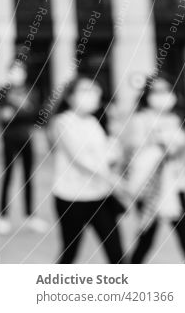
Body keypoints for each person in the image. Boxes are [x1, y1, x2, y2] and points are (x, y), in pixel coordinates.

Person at [47, 74, 126, 264]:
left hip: (100, 195)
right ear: (70, 96)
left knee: (117, 254)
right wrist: (115, 179)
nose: (92, 95)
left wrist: (114, 131)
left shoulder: (94, 122)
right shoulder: (62, 122)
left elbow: (111, 154)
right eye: (85, 90)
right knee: (70, 253)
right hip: (71, 197)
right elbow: (80, 158)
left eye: (94, 90)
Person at [122, 73, 185, 263]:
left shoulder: (173, 119)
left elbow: (181, 149)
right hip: (151, 187)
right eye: (157, 91)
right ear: (147, 95)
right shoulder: (140, 119)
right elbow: (132, 152)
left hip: (176, 185)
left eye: (166, 90)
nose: (163, 95)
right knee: (147, 239)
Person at [0, 57, 48, 234]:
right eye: (14, 70)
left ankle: (30, 216)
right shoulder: (1, 92)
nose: (17, 74)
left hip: (26, 137)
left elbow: (36, 114)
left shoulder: (31, 91)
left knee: (28, 177)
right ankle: (3, 216)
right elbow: (0, 116)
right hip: (9, 138)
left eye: (20, 70)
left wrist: (16, 113)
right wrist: (21, 112)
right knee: (8, 176)